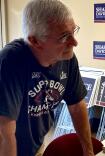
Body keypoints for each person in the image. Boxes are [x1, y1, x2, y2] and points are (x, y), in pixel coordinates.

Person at [0, 0, 95, 156]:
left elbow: (77, 106)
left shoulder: (67, 58)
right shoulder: (11, 61)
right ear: (35, 41)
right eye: (64, 36)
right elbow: (4, 133)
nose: (75, 42)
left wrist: (88, 152)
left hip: (35, 145)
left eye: (73, 31)